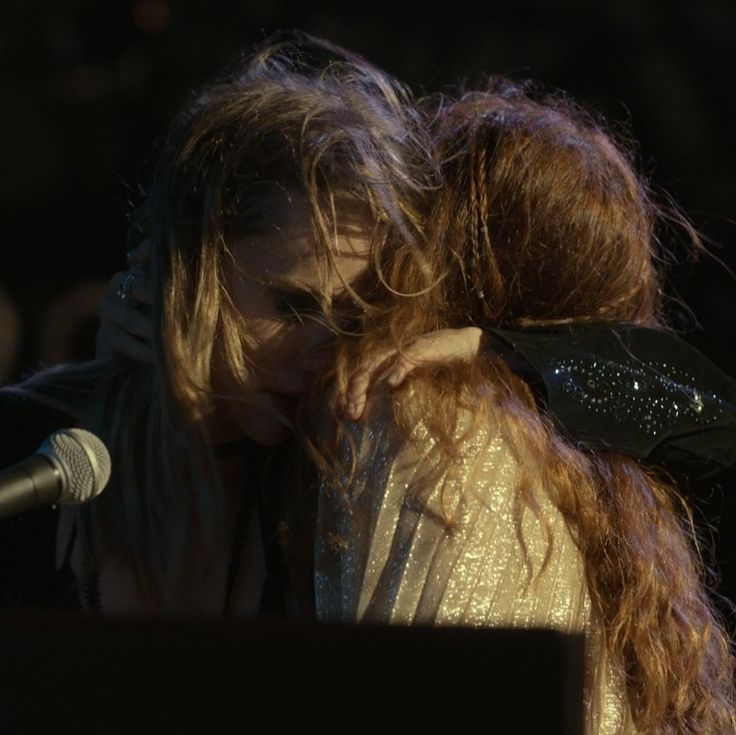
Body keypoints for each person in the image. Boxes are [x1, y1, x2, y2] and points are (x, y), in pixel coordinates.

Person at [2, 33, 734, 733]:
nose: (321, 350)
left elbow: (710, 414)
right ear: (191, 266)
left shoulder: (318, 469)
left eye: (354, 318)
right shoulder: (25, 446)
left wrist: (501, 348)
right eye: (292, 304)